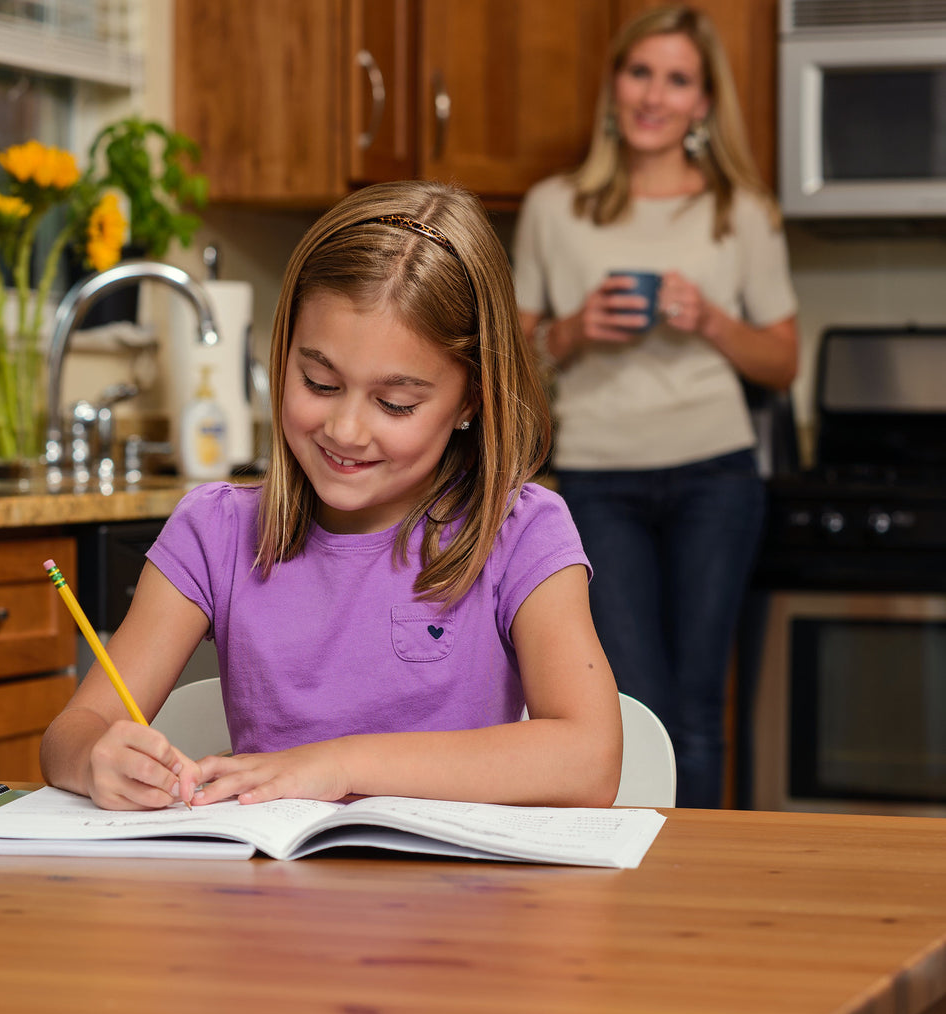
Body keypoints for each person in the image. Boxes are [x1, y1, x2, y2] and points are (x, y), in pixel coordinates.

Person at [40, 180, 622, 812]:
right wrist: (97, 760)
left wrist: (338, 765)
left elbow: (589, 761)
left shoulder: (522, 532)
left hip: (456, 906)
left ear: (470, 401)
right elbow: (71, 734)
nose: (345, 431)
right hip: (269, 900)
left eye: (395, 403)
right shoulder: (216, 531)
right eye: (319, 382)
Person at [512, 5, 798, 808]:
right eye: (641, 72)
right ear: (613, 85)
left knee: (701, 710)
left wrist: (710, 318)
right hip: (599, 481)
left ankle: (695, 884)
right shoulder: (551, 208)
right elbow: (506, 364)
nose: (654, 95)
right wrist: (572, 331)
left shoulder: (740, 211)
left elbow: (783, 359)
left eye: (677, 80)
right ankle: (640, 874)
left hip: (717, 476)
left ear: (704, 103)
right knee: (637, 706)